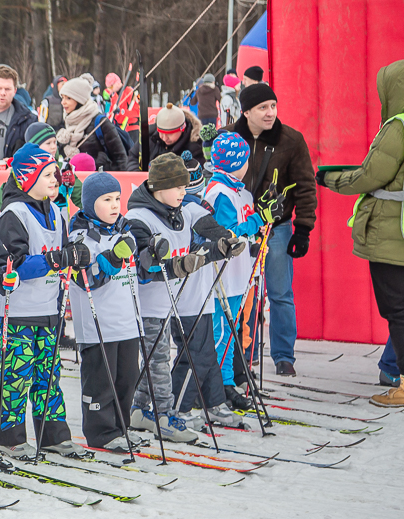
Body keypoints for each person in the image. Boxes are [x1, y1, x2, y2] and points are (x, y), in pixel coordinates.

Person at [316, 58, 404, 406]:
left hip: (391, 233)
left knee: (397, 310)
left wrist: (329, 178)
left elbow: (370, 176)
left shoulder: (398, 127)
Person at [127, 154, 231, 442]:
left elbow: (192, 252)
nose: (184, 193)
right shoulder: (139, 218)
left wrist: (219, 249)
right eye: (178, 188)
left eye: (186, 187)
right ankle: (164, 415)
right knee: (159, 361)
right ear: (159, 187)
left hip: (166, 305)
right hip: (146, 305)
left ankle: (139, 408)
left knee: (152, 359)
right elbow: (144, 267)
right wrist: (175, 266)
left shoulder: (179, 213)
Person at [0, 144, 88, 459]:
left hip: (48, 311)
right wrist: (56, 259)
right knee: (16, 378)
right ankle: (10, 437)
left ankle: (53, 435)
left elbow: (61, 257)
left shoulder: (58, 212)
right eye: (46, 174)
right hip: (18, 313)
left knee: (49, 377)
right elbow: (13, 266)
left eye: (56, 174)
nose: (54, 180)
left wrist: (73, 255)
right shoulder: (13, 214)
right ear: (25, 178)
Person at [225, 83, 316, 376]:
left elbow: (305, 186)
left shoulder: (291, 140)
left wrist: (302, 229)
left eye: (273, 106)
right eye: (263, 107)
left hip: (277, 227)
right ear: (246, 111)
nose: (270, 113)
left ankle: (283, 356)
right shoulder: (228, 137)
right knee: (236, 293)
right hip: (239, 228)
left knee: (279, 293)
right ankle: (238, 354)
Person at [65, 172, 141, 450]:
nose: (114, 205)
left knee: (128, 377)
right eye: (106, 200)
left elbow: (137, 271)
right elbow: (86, 279)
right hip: (99, 325)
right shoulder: (81, 237)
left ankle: (121, 427)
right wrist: (108, 261)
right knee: (102, 380)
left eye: (117, 199)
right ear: (88, 204)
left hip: (127, 321)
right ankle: (101, 432)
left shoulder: (125, 229)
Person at [203, 133, 273, 411]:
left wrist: (263, 220)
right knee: (222, 333)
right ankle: (221, 384)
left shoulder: (241, 191)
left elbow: (247, 229)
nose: (248, 164)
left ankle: (230, 380)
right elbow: (228, 232)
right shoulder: (218, 192)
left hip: (240, 274)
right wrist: (258, 219)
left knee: (234, 331)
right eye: (244, 159)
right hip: (223, 276)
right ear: (235, 163)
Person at [55, 76, 126, 171]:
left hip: (100, 181)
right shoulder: (68, 121)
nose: (63, 102)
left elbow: (120, 158)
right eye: (62, 98)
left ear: (79, 100)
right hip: (75, 183)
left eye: (68, 98)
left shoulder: (100, 122)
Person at [125, 102, 204, 170]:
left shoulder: (195, 146)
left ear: (182, 129)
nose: (165, 138)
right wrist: (139, 176)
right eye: (161, 133)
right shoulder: (150, 136)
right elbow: (133, 158)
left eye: (170, 134)